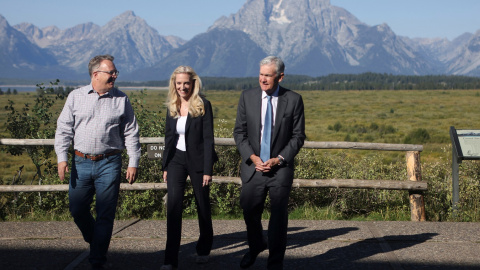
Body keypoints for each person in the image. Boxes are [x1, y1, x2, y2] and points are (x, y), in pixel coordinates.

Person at [54, 54, 141, 269]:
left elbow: (131, 132)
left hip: (110, 163)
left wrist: (134, 161)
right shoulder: (75, 96)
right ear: (95, 74)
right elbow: (63, 129)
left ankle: (97, 260)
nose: (114, 76)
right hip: (80, 162)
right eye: (110, 72)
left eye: (115, 72)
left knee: (105, 213)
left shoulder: (121, 99)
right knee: (77, 208)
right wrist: (62, 158)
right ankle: (97, 241)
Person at [233, 56, 306, 269]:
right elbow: (239, 132)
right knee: (248, 208)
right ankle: (256, 245)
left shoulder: (293, 100)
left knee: (278, 216)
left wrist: (279, 159)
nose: (263, 79)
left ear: (280, 76)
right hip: (253, 167)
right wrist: (253, 157)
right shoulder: (247, 97)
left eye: (268, 75)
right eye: (261, 74)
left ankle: (275, 263)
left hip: (280, 168)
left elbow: (298, 136)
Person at [160, 66, 217, 270]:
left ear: (193, 83)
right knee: (173, 207)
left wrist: (208, 169)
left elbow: (208, 139)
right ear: (174, 85)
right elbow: (169, 137)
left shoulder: (203, 105)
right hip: (176, 159)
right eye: (179, 83)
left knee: (202, 205)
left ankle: (203, 249)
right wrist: (165, 165)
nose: (182, 87)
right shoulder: (172, 106)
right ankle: (170, 259)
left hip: (198, 161)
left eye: (186, 83)